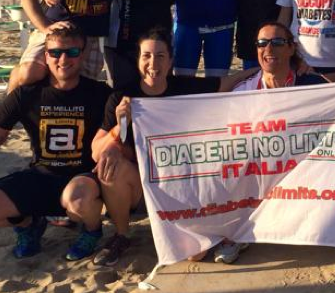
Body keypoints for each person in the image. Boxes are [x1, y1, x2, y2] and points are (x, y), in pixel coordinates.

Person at [214, 20, 335, 263]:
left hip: (301, 168)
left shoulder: (312, 85)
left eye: (277, 42)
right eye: (262, 43)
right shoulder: (244, 91)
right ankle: (238, 232)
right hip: (260, 169)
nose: (268, 49)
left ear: (291, 48)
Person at [90, 27, 255, 266]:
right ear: (138, 60)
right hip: (140, 186)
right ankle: (121, 235)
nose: (153, 63)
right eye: (147, 56)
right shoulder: (122, 97)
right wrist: (118, 127)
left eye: (160, 56)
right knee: (109, 165)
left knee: (194, 255)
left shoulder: (184, 88)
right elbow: (96, 151)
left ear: (170, 61)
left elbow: (228, 83)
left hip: (180, 186)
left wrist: (263, 68)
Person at [0, 27, 112, 261]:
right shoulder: (27, 95)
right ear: (45, 56)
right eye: (55, 53)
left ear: (83, 55)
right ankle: (28, 224)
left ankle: (92, 231)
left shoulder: (100, 93)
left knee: (78, 199)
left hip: (82, 179)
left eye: (72, 52)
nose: (63, 59)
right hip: (41, 175)